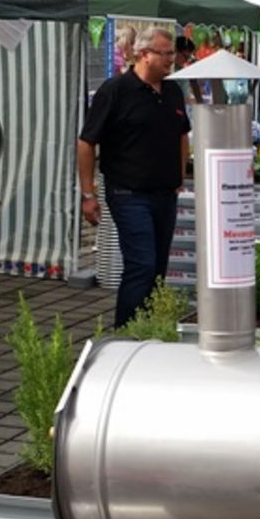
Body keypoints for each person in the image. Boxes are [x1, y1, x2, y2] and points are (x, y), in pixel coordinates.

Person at [77, 27, 190, 327]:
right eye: (165, 54)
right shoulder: (115, 91)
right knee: (142, 264)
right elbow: (86, 142)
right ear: (143, 55)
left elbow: (182, 135)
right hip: (128, 193)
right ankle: (125, 333)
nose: (172, 59)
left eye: (172, 53)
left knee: (158, 268)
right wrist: (88, 194)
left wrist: (180, 175)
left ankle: (149, 330)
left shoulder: (173, 91)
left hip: (165, 194)